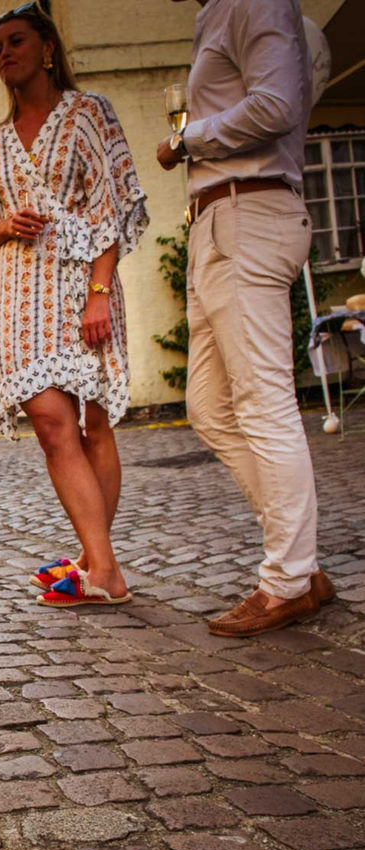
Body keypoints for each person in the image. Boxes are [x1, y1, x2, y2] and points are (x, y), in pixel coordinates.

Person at [0, 3, 147, 608]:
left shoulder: (91, 115)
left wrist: (98, 294)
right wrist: (4, 225)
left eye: (15, 41)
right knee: (50, 424)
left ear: (46, 47)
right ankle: (101, 564)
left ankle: (99, 565)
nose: (3, 54)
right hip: (20, 295)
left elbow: (112, 211)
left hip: (83, 287)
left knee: (93, 424)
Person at [157, 0, 333, 635]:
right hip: (217, 222)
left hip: (248, 216)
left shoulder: (253, 2)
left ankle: (287, 578)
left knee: (262, 402)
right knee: (210, 407)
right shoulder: (221, 14)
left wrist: (184, 138)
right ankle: (299, 561)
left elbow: (277, 106)